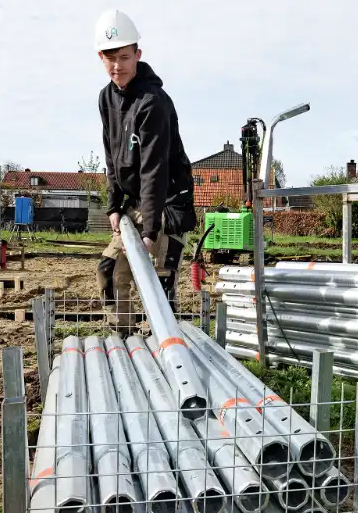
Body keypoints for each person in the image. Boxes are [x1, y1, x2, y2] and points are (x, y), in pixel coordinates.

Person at [94, 9, 196, 332]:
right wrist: (113, 204)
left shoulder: (154, 103)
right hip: (137, 203)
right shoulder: (106, 99)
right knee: (109, 270)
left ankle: (167, 356)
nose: (117, 66)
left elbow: (155, 169)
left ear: (138, 54)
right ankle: (124, 345)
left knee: (157, 283)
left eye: (124, 57)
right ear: (100, 57)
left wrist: (150, 232)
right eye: (110, 58)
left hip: (167, 203)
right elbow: (111, 155)